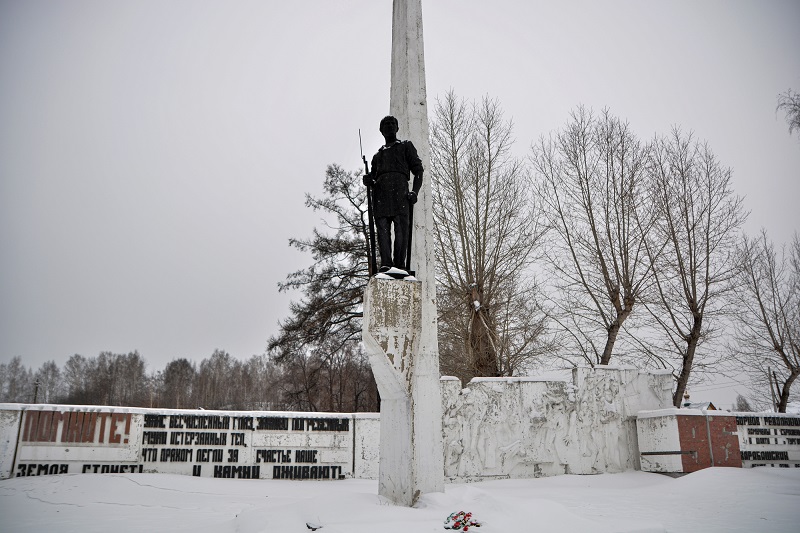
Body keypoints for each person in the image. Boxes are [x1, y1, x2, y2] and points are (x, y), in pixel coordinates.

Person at [363, 115, 423, 273]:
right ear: (381, 130)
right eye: (386, 124)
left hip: (400, 193)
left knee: (401, 229)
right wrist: (368, 180)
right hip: (381, 195)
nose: (390, 126)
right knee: (382, 230)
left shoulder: (405, 146)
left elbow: (418, 171)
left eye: (392, 123)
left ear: (397, 128)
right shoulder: (377, 156)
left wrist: (414, 192)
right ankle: (386, 263)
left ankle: (399, 264)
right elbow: (373, 179)